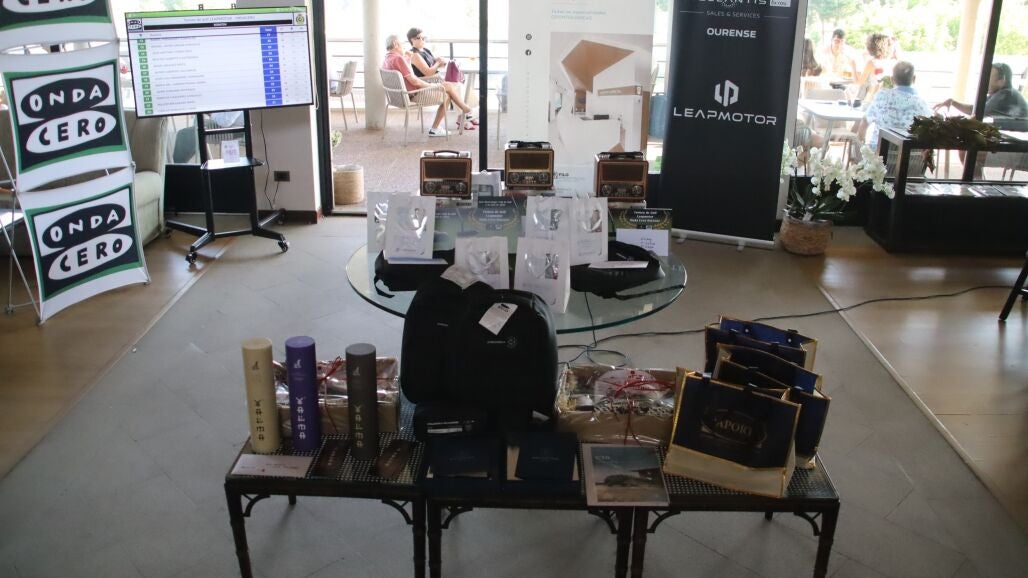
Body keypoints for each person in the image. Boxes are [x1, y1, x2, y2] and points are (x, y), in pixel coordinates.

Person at [382, 34, 473, 137]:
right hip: (412, 94)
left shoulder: (387, 59)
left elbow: (408, 76)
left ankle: (466, 112)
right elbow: (415, 82)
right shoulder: (399, 59)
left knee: (447, 87)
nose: (404, 46)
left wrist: (408, 58)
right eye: (402, 44)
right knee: (447, 92)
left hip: (399, 96)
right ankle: (464, 113)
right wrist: (432, 86)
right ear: (395, 44)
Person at [406, 28, 478, 130]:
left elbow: (434, 65)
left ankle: (465, 115)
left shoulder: (425, 50)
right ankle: (464, 116)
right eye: (419, 38)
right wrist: (438, 63)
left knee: (460, 85)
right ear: (412, 40)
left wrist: (441, 62)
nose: (422, 40)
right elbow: (428, 72)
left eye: (424, 37)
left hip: (435, 80)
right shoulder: (414, 55)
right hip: (426, 84)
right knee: (456, 87)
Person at [856, 61, 932, 154]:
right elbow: (931, 131)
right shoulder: (922, 104)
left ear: (892, 79)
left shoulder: (882, 97)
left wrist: (862, 147)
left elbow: (864, 123)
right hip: (910, 159)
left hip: (878, 157)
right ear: (914, 79)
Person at [934, 62, 1028, 120]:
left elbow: (976, 114)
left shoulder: (1005, 95)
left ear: (1001, 81)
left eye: (989, 78)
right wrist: (952, 102)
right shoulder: (1004, 93)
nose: (985, 81)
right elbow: (976, 109)